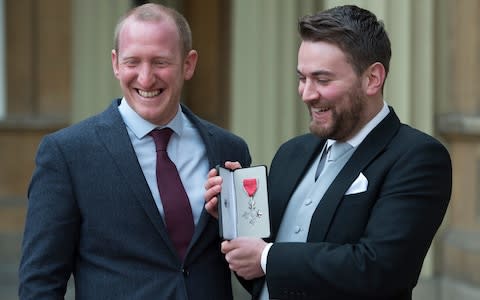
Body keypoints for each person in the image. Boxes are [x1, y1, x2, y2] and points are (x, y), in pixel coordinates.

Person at [205, 5, 452, 300]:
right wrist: (236, 219)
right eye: (302, 78)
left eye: (322, 80)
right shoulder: (290, 153)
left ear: (373, 78)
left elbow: (381, 269)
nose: (307, 93)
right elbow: (261, 277)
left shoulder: (418, 157)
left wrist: (267, 257)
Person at [19, 3, 251, 299]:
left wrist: (238, 221)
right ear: (116, 63)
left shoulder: (229, 149)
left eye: (160, 62)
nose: (145, 78)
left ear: (188, 64)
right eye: (133, 62)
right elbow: (40, 283)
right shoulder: (67, 154)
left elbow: (251, 267)